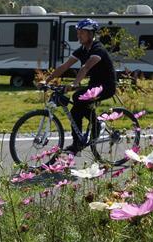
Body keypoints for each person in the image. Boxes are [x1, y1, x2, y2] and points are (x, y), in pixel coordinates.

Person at [42, 18, 116, 154]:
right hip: (94, 85)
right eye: (78, 33)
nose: (79, 35)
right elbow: (64, 66)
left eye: (82, 32)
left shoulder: (97, 49)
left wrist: (74, 84)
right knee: (76, 110)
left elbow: (86, 67)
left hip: (106, 86)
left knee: (77, 98)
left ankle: (96, 125)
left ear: (91, 34)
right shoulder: (82, 49)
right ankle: (78, 143)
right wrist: (47, 80)